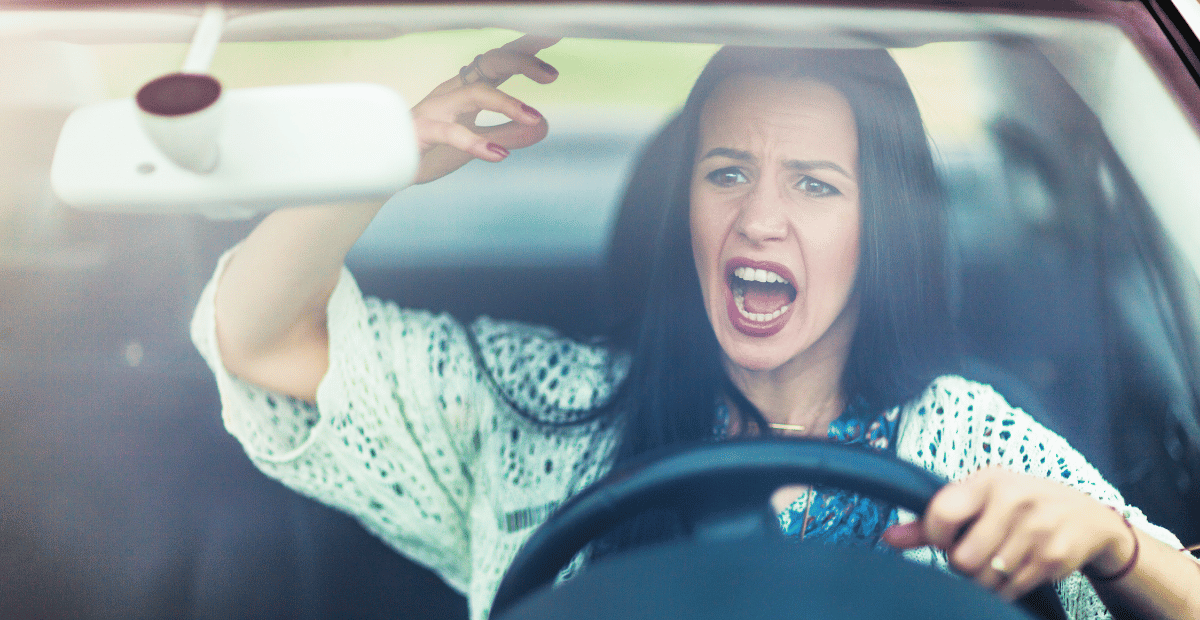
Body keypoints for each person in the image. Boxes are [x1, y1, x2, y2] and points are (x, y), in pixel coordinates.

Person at [192, 36, 1200, 620]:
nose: (759, 218)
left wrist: (1112, 544)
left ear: (879, 229)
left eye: (813, 184)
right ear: (687, 205)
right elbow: (259, 335)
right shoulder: (544, 409)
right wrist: (378, 158)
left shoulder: (969, 442)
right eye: (728, 172)